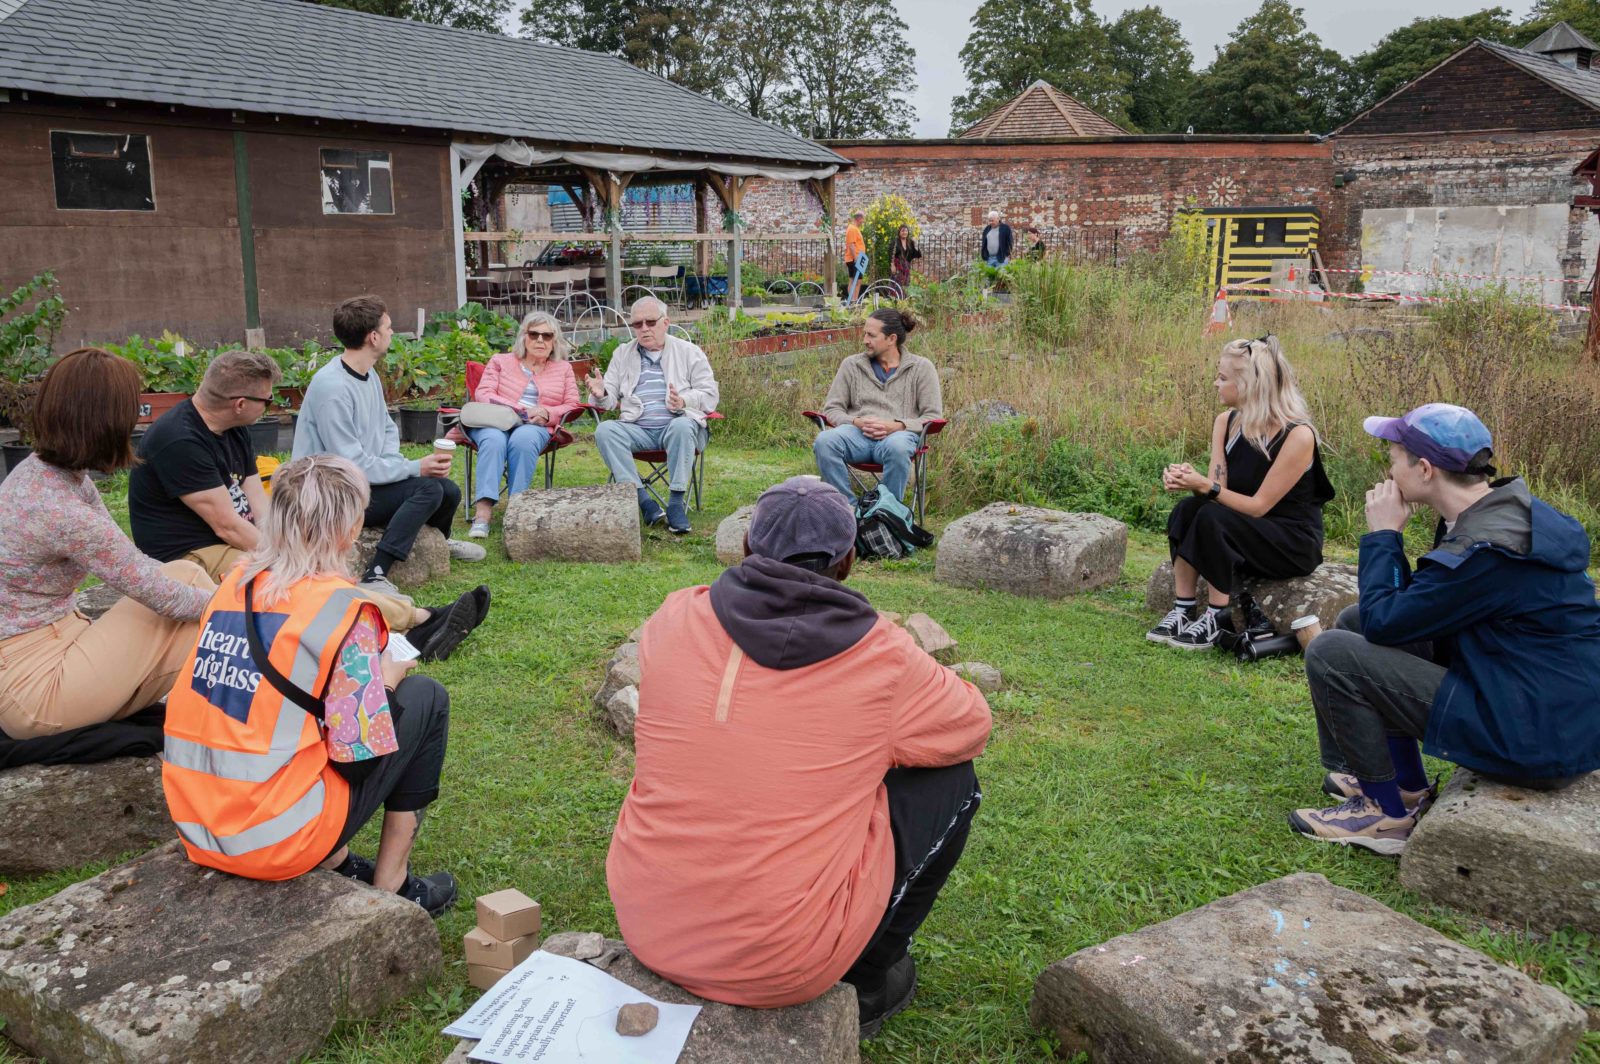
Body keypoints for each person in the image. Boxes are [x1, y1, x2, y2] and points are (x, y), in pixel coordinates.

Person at [606, 476, 990, 1038]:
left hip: (647, 924)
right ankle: (868, 977)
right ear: (849, 561)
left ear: (745, 547)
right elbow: (970, 725)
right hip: (783, 965)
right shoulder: (883, 655)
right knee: (953, 779)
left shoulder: (674, 616)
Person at [1290, 404, 1600, 854]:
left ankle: (1384, 817)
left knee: (1332, 652)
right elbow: (1401, 615)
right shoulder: (1501, 514)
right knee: (1354, 622)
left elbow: (1386, 621)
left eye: (1393, 456)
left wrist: (1383, 537)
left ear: (1426, 468)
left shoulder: (1486, 550)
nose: (1389, 468)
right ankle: (1406, 787)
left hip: (1532, 737)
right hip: (1540, 706)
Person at [163, 454, 457, 915]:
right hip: (275, 839)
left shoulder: (232, 584)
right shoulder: (341, 610)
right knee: (427, 698)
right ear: (350, 528)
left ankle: (337, 859)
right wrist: (388, 678)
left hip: (197, 820)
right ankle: (394, 884)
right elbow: (361, 756)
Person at [132, 349, 485, 662]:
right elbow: (227, 526)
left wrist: (291, 541)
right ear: (239, 403)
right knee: (303, 579)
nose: (273, 407)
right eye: (267, 402)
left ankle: (407, 624)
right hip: (194, 553)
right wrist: (288, 556)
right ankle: (419, 620)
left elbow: (258, 501)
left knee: (309, 568)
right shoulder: (179, 440)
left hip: (229, 538)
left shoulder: (233, 426)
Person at [0, 348, 215, 740]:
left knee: (188, 575)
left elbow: (136, 564)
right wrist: (246, 605)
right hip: (33, 689)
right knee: (217, 632)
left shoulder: (51, 473)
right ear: (104, 421)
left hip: (56, 641)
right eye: (132, 409)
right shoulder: (60, 510)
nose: (136, 419)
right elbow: (159, 595)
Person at [293, 295, 485, 597]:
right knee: (428, 489)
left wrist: (400, 469)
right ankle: (377, 573)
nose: (392, 332)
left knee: (447, 489)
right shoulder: (331, 387)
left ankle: (438, 540)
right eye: (389, 326)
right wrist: (412, 468)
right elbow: (350, 464)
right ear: (373, 337)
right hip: (331, 495)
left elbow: (385, 428)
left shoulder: (367, 375)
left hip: (359, 483)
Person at [1150, 336, 1333, 650]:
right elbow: (1216, 493)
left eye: (1223, 378)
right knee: (1187, 510)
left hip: (1290, 540)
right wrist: (1191, 482)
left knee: (1211, 515)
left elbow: (1259, 506)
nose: (1215, 383)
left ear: (1248, 385)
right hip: (1245, 530)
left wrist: (1207, 487)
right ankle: (1183, 609)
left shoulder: (1298, 435)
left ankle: (1217, 615)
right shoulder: (1226, 422)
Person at [584, 296, 719, 534]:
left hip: (678, 428)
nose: (644, 328)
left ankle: (676, 503)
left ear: (665, 322)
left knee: (682, 426)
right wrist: (601, 392)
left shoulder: (689, 352)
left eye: (650, 322)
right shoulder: (622, 354)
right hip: (638, 429)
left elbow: (710, 394)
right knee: (605, 430)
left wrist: (684, 400)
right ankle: (645, 502)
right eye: (637, 324)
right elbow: (609, 399)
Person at [462, 310, 581, 538]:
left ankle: (517, 510)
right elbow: (484, 393)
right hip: (494, 421)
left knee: (523, 439)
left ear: (554, 340)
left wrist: (547, 413)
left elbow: (572, 404)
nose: (539, 340)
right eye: (534, 334)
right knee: (494, 441)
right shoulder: (500, 361)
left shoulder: (563, 368)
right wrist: (520, 410)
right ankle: (482, 515)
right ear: (523, 337)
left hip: (536, 427)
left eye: (546, 336)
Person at [814, 308, 942, 507]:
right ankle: (848, 510)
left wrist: (897, 426)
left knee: (898, 447)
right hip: (857, 435)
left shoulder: (921, 368)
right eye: (865, 333)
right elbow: (832, 409)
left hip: (897, 437)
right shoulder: (851, 365)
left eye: (871, 335)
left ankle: (886, 513)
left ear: (891, 339)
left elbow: (933, 416)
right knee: (825, 441)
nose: (865, 339)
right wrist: (856, 421)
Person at [845, 209, 868, 304]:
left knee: (854, 280)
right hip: (855, 259)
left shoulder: (854, 229)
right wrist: (856, 258)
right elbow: (851, 244)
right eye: (863, 219)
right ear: (859, 218)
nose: (863, 221)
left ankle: (853, 301)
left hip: (856, 258)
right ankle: (854, 301)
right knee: (856, 281)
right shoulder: (852, 229)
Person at [890, 224, 921, 291]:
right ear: (899, 232)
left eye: (906, 231)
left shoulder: (910, 242)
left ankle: (904, 300)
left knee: (905, 285)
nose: (904, 232)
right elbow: (891, 254)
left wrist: (916, 245)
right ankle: (896, 299)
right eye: (903, 231)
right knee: (896, 284)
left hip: (906, 268)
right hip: (897, 267)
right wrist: (892, 266)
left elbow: (915, 254)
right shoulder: (895, 242)